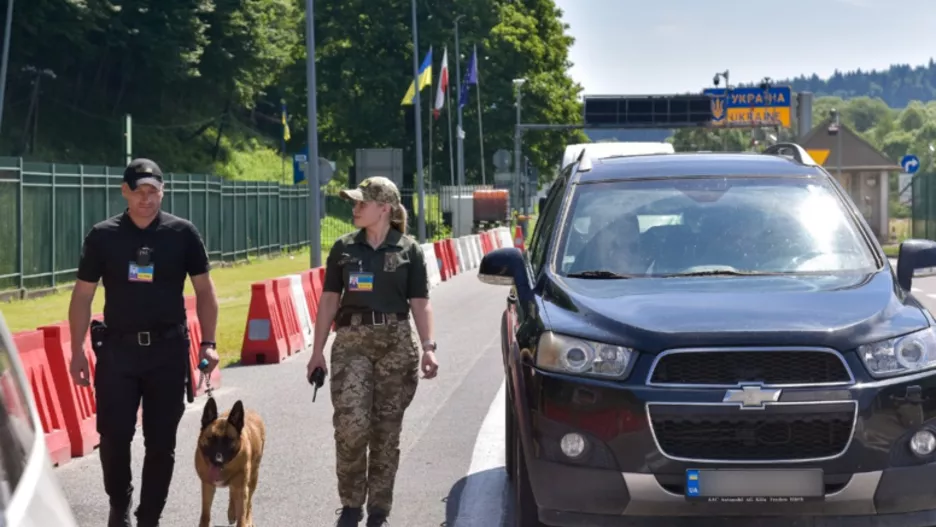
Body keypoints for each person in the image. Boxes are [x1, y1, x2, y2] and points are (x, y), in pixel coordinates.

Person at [67, 158, 220, 527]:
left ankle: (149, 516)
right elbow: (82, 296)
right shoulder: (103, 236)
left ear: (162, 192)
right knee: (114, 437)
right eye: (139, 191)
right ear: (125, 192)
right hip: (118, 352)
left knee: (160, 441)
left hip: (168, 352)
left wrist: (208, 344)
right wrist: (77, 352)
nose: (146, 199)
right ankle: (119, 501)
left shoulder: (182, 234)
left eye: (153, 191)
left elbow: (205, 291)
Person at [306, 176, 439, 527]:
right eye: (355, 202)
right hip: (352, 342)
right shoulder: (344, 248)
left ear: (384, 208)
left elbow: (420, 303)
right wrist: (317, 351)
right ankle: (351, 505)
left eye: (362, 203)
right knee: (351, 425)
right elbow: (329, 301)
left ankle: (379, 511)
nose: (355, 208)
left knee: (386, 430)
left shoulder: (408, 250)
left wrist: (428, 348)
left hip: (396, 342)